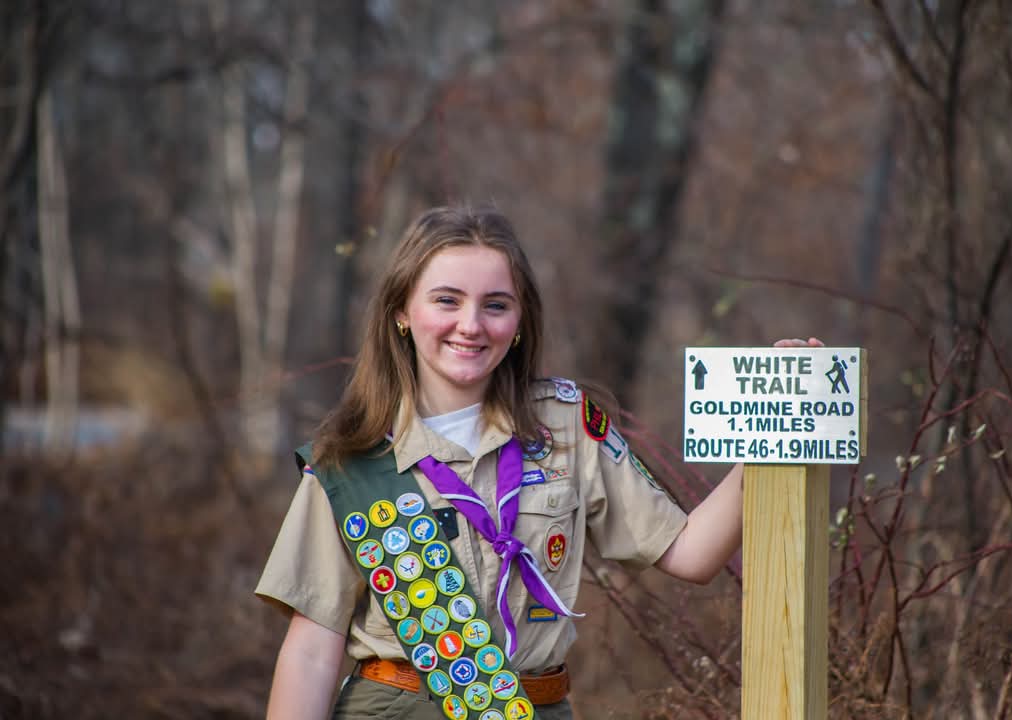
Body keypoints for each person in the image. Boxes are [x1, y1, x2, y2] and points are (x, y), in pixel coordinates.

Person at [256, 205, 822, 720]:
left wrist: (772, 428)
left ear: (521, 319)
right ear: (402, 311)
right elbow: (310, 653)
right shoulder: (351, 458)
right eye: (447, 300)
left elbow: (691, 552)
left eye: (495, 305)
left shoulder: (566, 425)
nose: (471, 325)